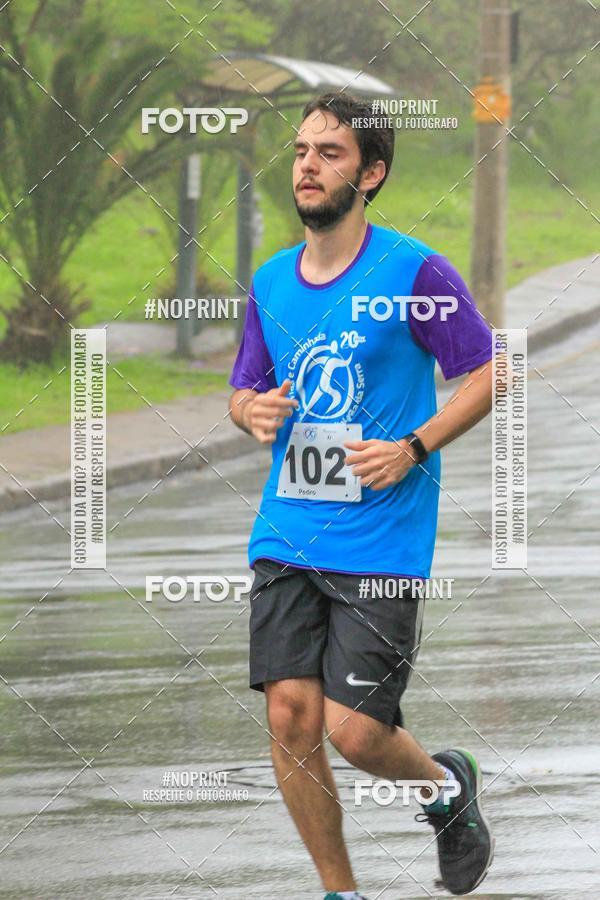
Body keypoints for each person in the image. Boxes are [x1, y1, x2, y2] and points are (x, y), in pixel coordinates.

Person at [228, 92, 496, 899]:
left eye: (331, 153)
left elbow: (484, 374)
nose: (308, 164)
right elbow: (243, 392)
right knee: (290, 719)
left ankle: (444, 787)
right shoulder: (273, 280)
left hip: (383, 540)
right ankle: (340, 893)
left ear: (371, 173)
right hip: (287, 533)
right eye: (303, 150)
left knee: (356, 733)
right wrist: (253, 411)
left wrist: (414, 446)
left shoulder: (414, 270)